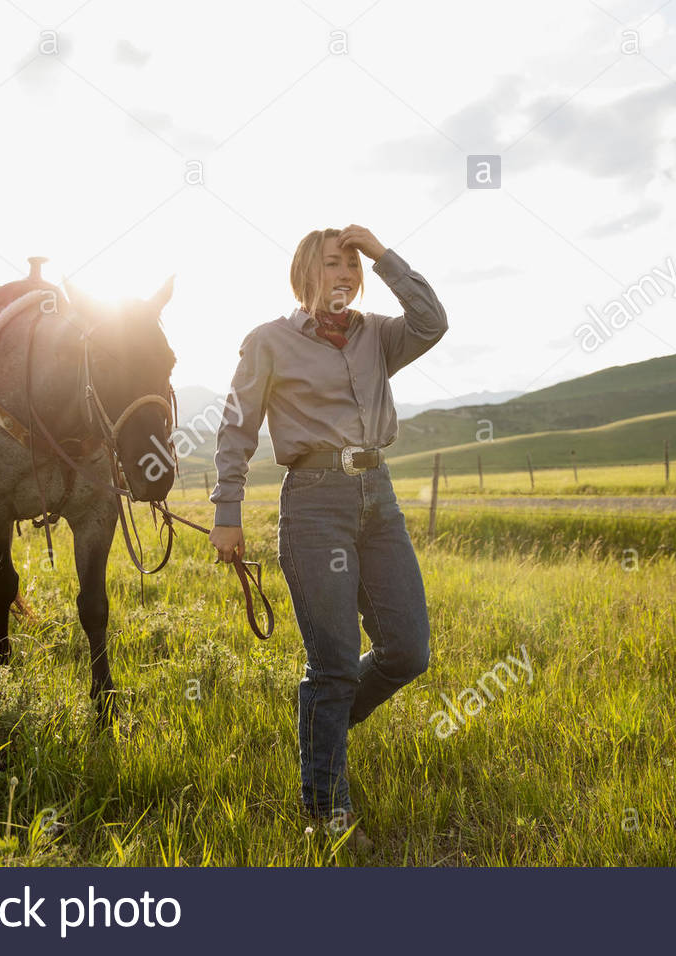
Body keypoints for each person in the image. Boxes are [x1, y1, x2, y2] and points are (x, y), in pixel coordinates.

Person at [209, 225, 448, 848]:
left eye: (352, 264)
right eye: (331, 263)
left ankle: (327, 725)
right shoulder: (269, 342)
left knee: (408, 650)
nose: (345, 272)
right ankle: (326, 812)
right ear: (303, 274)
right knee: (334, 663)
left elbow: (432, 320)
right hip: (315, 504)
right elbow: (236, 429)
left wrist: (382, 253)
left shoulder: (378, 336)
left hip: (380, 498)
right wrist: (227, 510)